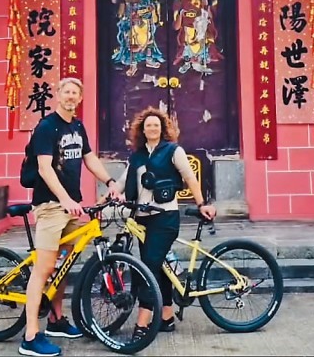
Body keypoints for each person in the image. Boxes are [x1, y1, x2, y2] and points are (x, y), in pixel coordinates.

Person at [22, 77, 122, 357]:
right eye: (65, 91)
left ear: (80, 98)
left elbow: (89, 158)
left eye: (75, 93)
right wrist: (64, 199)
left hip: (71, 206)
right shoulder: (46, 126)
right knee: (43, 269)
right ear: (57, 95)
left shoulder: (78, 127)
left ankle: (56, 320)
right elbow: (44, 168)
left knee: (64, 265)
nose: (70, 96)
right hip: (51, 206)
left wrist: (110, 182)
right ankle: (30, 336)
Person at [110, 107, 216, 342]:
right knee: (158, 268)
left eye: (156, 125)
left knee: (146, 268)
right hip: (142, 219)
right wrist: (104, 199)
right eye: (148, 125)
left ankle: (142, 323)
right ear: (142, 129)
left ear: (163, 128)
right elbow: (121, 181)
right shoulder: (137, 155)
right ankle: (166, 317)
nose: (152, 128)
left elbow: (189, 177)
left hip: (165, 218)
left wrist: (202, 204)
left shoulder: (173, 151)